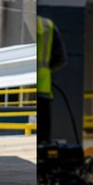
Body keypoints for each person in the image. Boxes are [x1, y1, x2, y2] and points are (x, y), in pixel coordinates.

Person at [37, 15, 67, 145]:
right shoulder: (48, 26)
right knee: (43, 142)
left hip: (25, 88)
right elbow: (61, 58)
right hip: (43, 89)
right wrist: (46, 71)